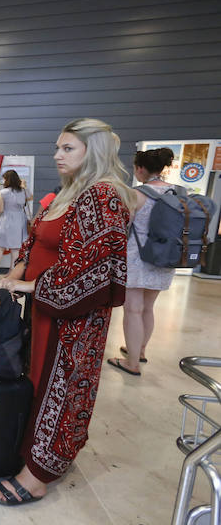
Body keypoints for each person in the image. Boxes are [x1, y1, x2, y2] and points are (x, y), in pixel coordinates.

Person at [0, 118, 134, 506]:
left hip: (72, 320)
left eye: (67, 148)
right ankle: (31, 454)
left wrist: (31, 285)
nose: (57, 155)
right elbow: (35, 241)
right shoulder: (71, 192)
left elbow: (95, 269)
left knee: (61, 389)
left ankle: (38, 475)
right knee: (37, 382)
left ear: (95, 151)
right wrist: (16, 271)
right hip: (45, 311)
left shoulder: (103, 196)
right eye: (58, 147)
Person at [107, 147, 176, 375]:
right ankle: (141, 350)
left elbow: (123, 226)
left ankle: (132, 363)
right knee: (148, 308)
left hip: (138, 257)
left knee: (133, 309)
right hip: (166, 257)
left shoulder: (136, 194)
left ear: (140, 169)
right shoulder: (178, 192)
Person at [0, 170, 29, 280]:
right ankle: (11, 272)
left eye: (4, 178)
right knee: (15, 249)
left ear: (7, 179)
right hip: (19, 220)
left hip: (7, 220)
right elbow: (28, 199)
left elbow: (0, 209)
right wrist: (24, 186)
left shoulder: (3, 192)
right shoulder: (22, 191)